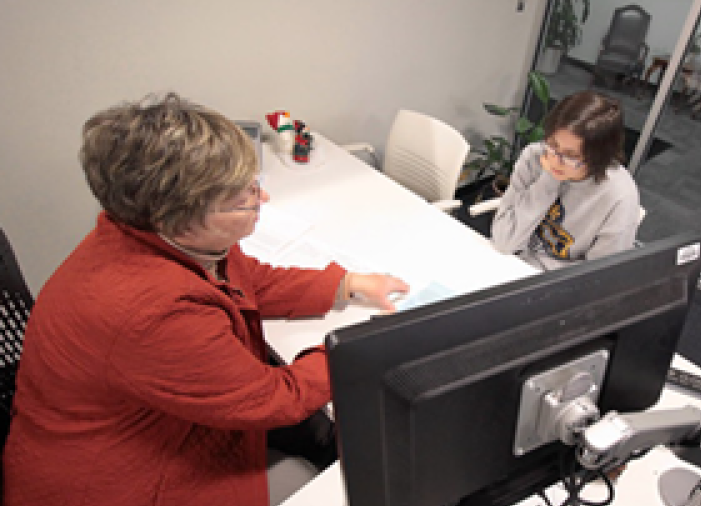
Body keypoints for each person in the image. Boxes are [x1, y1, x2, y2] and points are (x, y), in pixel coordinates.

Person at [2, 93, 409, 506]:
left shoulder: (159, 236)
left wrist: (346, 284)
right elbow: (270, 400)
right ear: (176, 219)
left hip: (159, 427)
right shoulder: (151, 312)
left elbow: (248, 281)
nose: (262, 200)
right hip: (116, 483)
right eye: (242, 198)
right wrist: (353, 350)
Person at [490, 90, 642, 271]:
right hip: (508, 263)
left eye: (571, 156)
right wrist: (549, 179)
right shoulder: (535, 157)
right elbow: (504, 241)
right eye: (553, 145)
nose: (555, 160)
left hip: (554, 281)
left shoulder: (619, 196)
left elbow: (599, 275)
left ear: (599, 158)